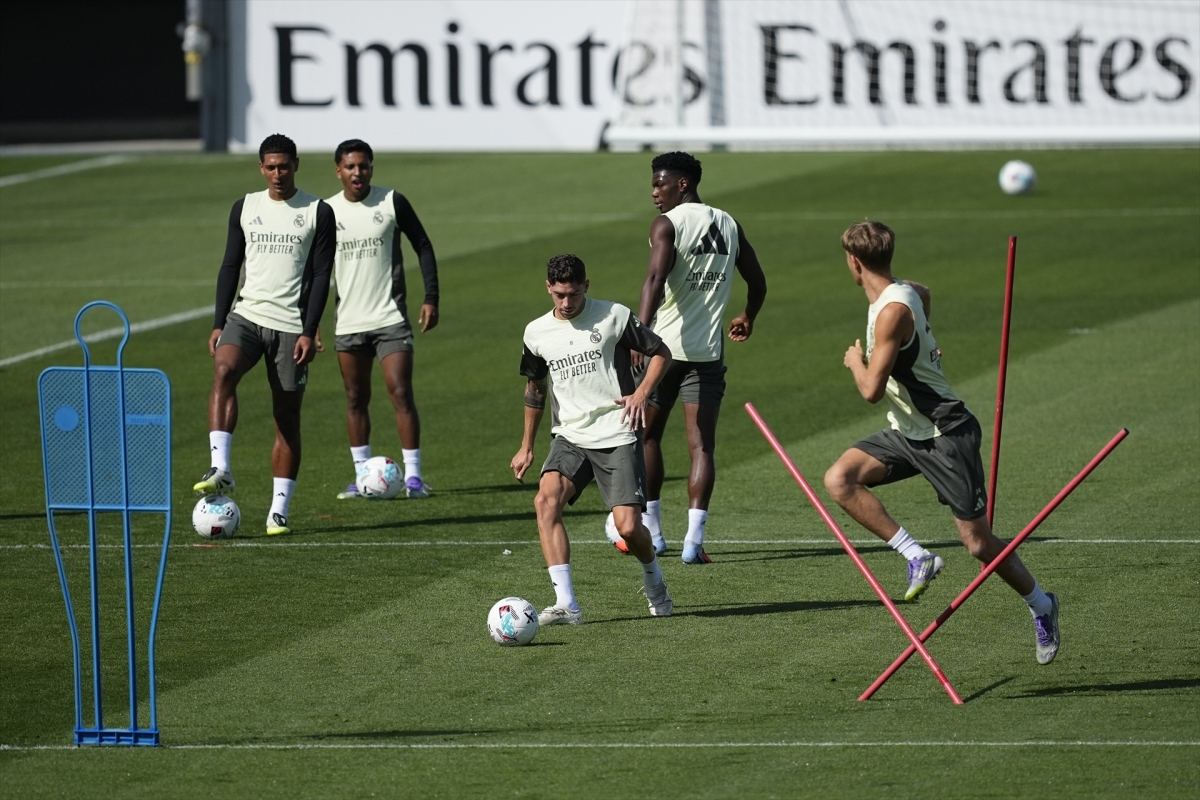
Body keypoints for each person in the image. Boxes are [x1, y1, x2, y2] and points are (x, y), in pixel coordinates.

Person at [823, 221, 1060, 664]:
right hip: (909, 431)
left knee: (978, 544)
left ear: (854, 263)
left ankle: (1042, 605)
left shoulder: (892, 311)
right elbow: (924, 293)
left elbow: (871, 390)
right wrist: (925, 344)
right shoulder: (903, 290)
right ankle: (917, 557)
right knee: (841, 479)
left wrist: (856, 361)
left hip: (946, 433)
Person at [606, 151, 767, 564]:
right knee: (702, 447)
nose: (654, 193)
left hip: (664, 351)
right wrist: (747, 315)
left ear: (682, 184)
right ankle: (694, 542)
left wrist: (639, 338)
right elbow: (758, 281)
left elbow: (655, 279)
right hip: (708, 352)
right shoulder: (729, 223)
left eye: (660, 184)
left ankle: (655, 534)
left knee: (647, 436)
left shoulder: (668, 224)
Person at [511, 254, 674, 625]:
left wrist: (642, 393)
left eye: (573, 294)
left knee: (629, 527)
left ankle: (654, 580)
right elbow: (535, 389)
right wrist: (527, 445)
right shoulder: (536, 332)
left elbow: (660, 352)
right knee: (545, 501)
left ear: (587, 285)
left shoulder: (613, 315)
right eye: (559, 295)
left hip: (617, 432)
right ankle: (566, 603)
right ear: (548, 289)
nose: (567, 303)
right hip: (570, 436)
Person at [193, 133, 335, 536]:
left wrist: (309, 329)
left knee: (286, 416)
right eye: (270, 167)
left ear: (296, 165)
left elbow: (323, 275)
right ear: (261, 168)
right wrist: (220, 321)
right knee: (224, 371)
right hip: (247, 315)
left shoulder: (317, 211)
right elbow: (228, 266)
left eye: (284, 166)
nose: (277, 174)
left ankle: (278, 512)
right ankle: (220, 466)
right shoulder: (246, 206)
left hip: (291, 325)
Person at [324, 139, 440, 499]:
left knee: (400, 392)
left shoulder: (391, 202)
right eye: (350, 166)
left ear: (371, 168)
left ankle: (414, 477)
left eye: (364, 165)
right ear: (338, 170)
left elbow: (422, 244)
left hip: (390, 318)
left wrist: (431, 297)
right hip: (348, 323)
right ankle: (362, 477)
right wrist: (309, 324)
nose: (357, 172)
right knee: (355, 398)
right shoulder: (326, 212)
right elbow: (314, 270)